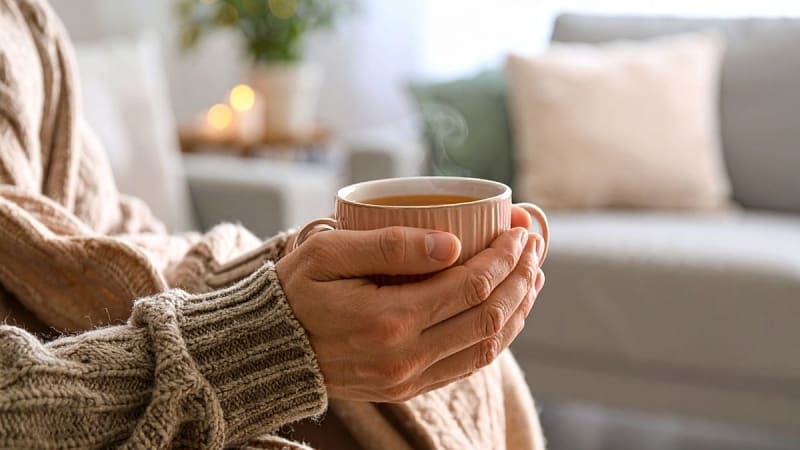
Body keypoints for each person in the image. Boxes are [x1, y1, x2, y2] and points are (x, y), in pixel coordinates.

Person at [0, 0, 547, 448]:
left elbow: (102, 236)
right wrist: (268, 341)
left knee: (476, 369)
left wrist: (280, 275)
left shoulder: (25, 28)